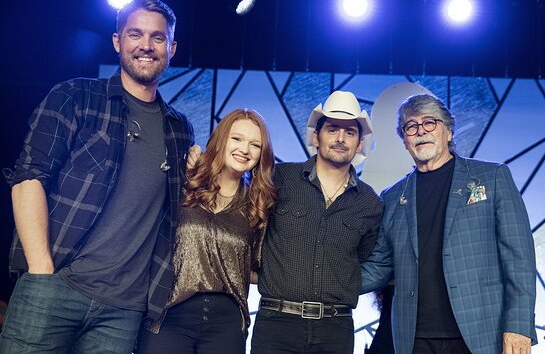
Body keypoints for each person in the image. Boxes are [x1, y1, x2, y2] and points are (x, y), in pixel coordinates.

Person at [0, 0, 194, 353]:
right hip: (55, 285)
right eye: (135, 34)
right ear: (118, 41)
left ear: (172, 47)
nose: (146, 46)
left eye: (158, 37)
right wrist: (41, 269)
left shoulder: (179, 129)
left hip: (124, 309)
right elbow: (29, 177)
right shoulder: (75, 96)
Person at [361, 94, 537, 354]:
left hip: (481, 334)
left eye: (429, 123)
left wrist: (519, 326)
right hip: (414, 338)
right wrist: (323, 283)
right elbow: (380, 267)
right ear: (405, 141)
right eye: (411, 126)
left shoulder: (493, 177)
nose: (421, 131)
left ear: (449, 131)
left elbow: (519, 260)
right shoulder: (392, 196)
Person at [250, 91, 384, 354]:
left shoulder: (370, 203)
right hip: (276, 324)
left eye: (350, 132)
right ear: (316, 136)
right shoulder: (280, 178)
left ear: (359, 143)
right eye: (333, 129)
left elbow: (363, 261)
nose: (340, 139)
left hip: (335, 329)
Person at [136, 109, 277, 354]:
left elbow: (255, 269)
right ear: (221, 140)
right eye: (237, 139)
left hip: (227, 322)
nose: (245, 149)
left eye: (255, 144)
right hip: (169, 314)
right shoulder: (184, 181)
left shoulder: (258, 204)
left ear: (261, 154)